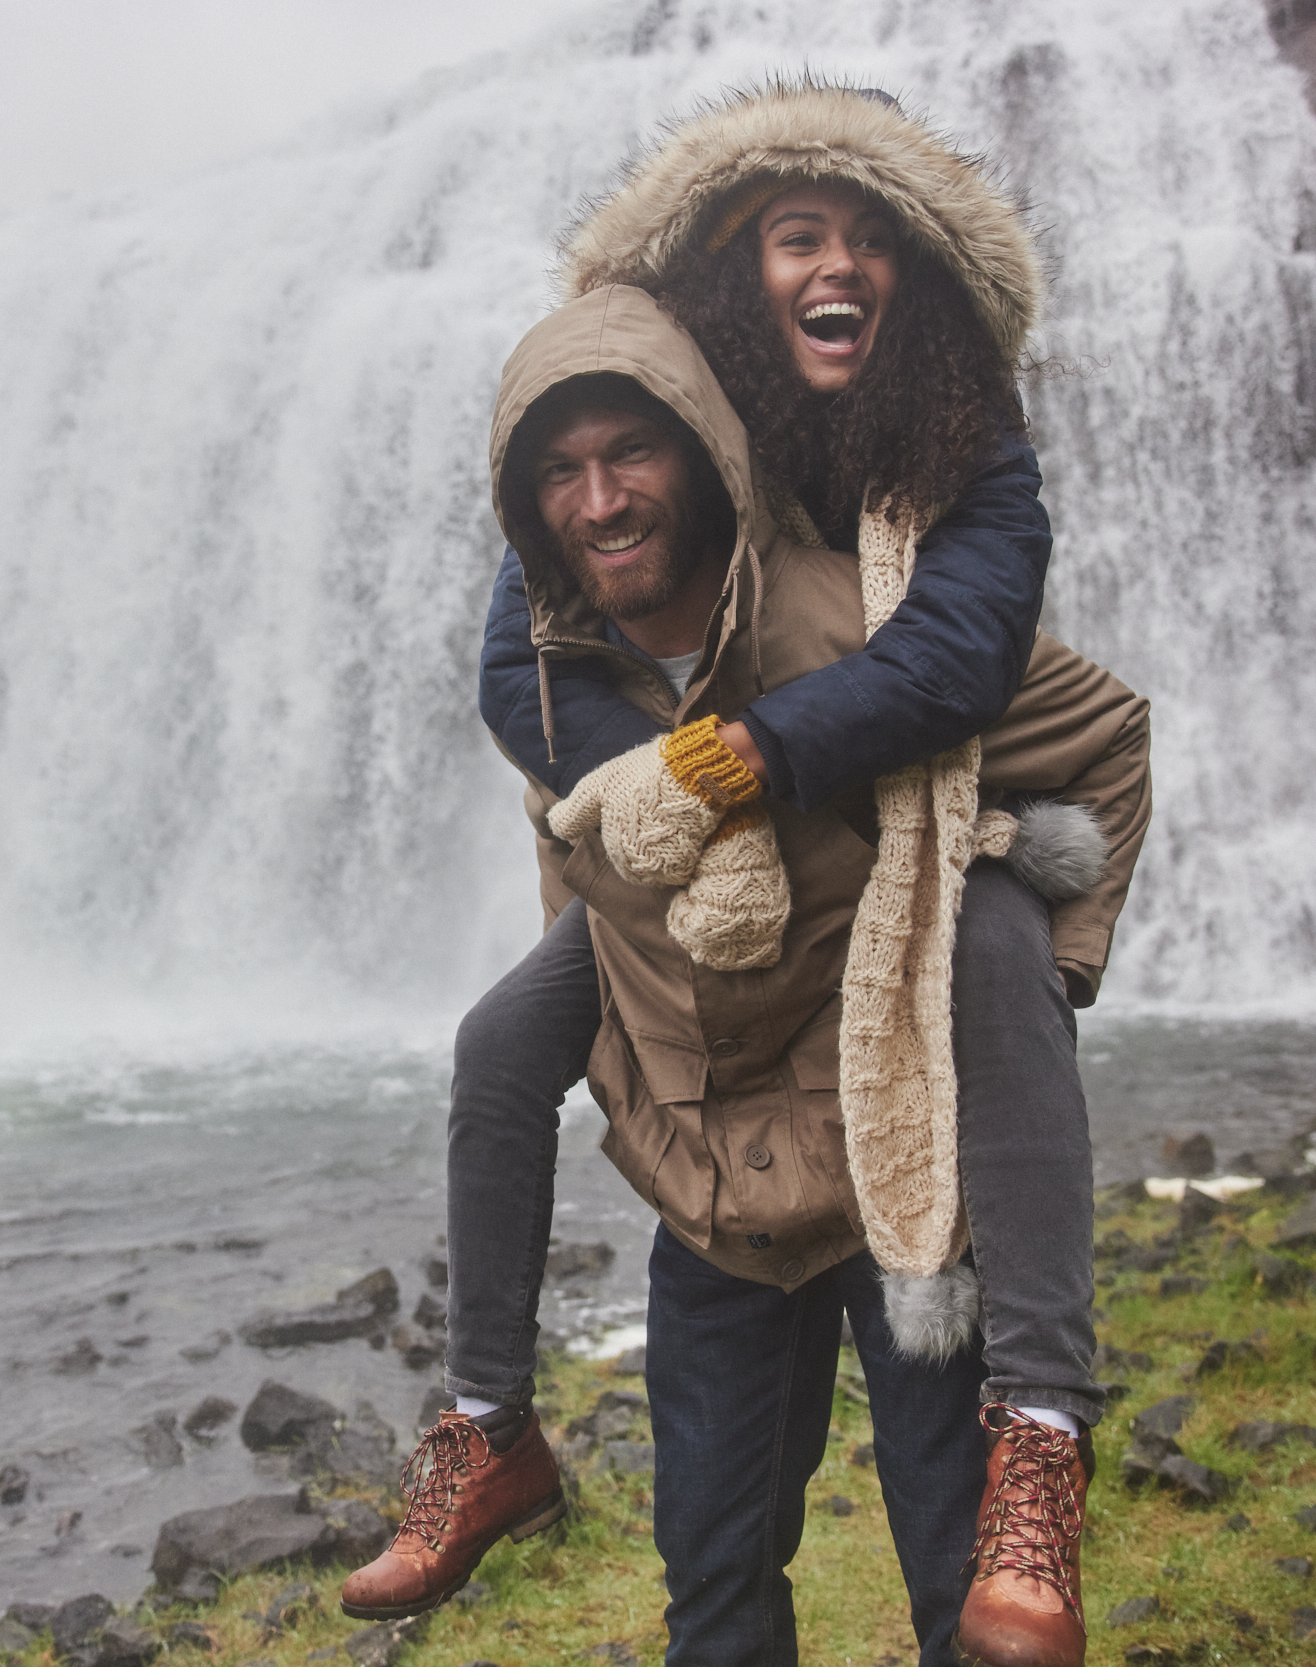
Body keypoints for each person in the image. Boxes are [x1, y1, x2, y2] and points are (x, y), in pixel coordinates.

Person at [340, 86, 1153, 1667]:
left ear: (917, 281)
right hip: (707, 973)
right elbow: (526, 666)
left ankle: (1043, 1428)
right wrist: (645, 812)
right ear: (733, 268)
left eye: (869, 241)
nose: (835, 265)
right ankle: (485, 1423)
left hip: (920, 842)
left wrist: (716, 772)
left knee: (988, 944)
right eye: (798, 234)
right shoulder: (649, 439)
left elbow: (959, 661)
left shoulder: (963, 454)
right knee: (504, 1043)